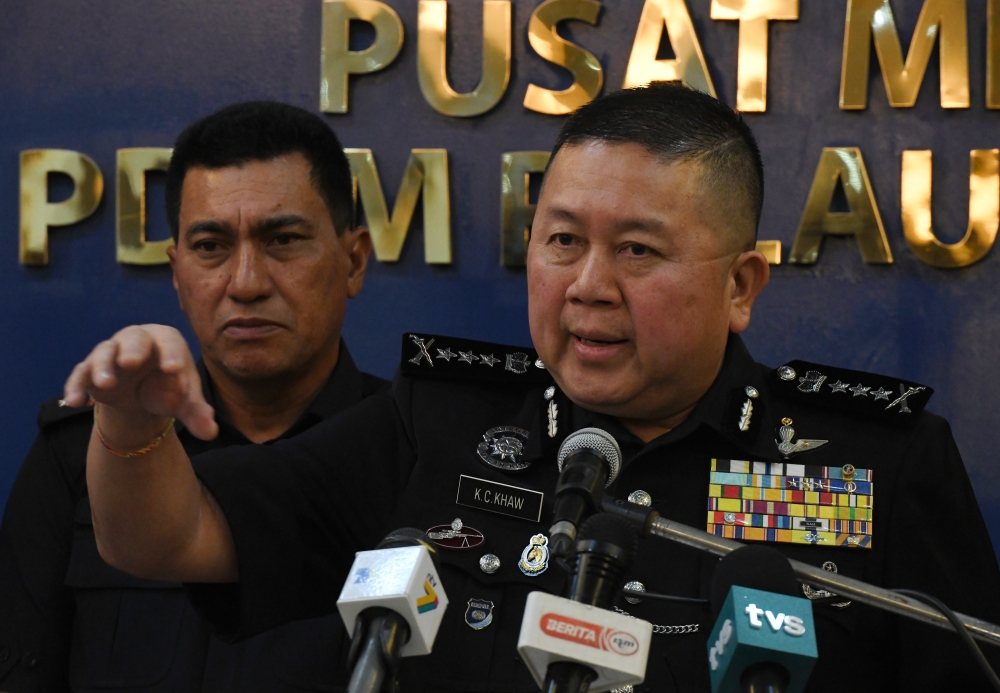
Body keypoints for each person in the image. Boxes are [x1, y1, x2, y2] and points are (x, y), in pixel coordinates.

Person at [63, 84, 1000, 691]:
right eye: (561, 240)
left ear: (740, 286)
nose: (588, 283)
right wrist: (129, 428)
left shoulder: (881, 462)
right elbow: (167, 536)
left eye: (637, 249)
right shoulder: (438, 424)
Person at [0, 100, 385, 693]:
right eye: (211, 246)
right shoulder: (83, 452)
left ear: (354, 260)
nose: (246, 283)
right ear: (177, 274)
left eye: (283, 240)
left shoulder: (411, 451)